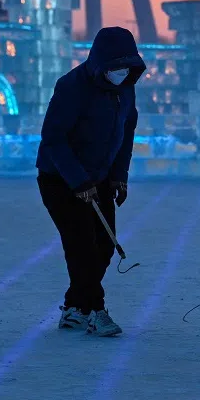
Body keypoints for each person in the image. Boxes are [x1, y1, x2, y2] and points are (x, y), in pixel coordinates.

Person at [36, 27, 145, 338]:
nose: (121, 73)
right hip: (61, 179)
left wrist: (118, 178)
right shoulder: (72, 87)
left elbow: (126, 134)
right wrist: (78, 181)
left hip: (99, 178)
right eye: (115, 66)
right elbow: (54, 139)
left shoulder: (125, 88)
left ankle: (75, 308)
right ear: (99, 63)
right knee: (82, 247)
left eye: (126, 66)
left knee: (105, 246)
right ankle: (96, 311)